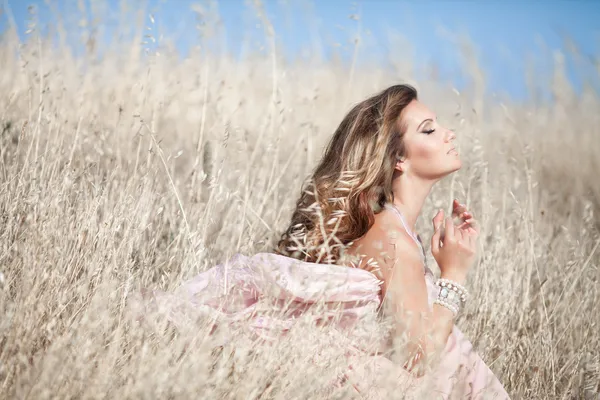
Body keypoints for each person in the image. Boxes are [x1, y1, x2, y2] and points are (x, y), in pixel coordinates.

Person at [131, 84, 510, 399]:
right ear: (397, 159)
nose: (449, 133)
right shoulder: (394, 241)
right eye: (429, 130)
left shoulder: (391, 231)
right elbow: (417, 356)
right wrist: (454, 275)